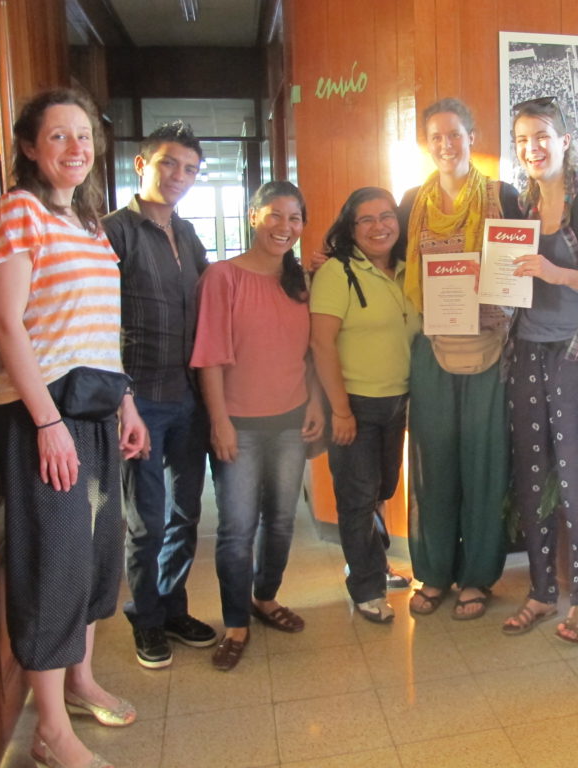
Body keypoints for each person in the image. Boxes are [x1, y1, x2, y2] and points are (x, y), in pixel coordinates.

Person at [0, 88, 147, 768]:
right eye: (58, 137)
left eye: (83, 136)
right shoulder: (18, 211)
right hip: (41, 414)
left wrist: (127, 403)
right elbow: (6, 323)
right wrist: (46, 421)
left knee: (92, 558)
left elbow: (97, 330)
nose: (76, 148)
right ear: (30, 147)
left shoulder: (87, 222)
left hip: (94, 407)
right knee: (53, 566)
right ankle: (50, 730)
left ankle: (78, 682)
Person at [191, 181, 324, 671]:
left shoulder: (301, 283)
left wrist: (314, 403)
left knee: (283, 520)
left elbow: (310, 354)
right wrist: (220, 422)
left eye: (294, 219)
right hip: (240, 426)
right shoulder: (222, 278)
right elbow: (208, 357)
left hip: (291, 420)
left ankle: (265, 598)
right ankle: (235, 621)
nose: (284, 227)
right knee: (237, 527)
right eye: (274, 215)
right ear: (253, 217)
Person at [399, 98, 519, 620]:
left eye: (455, 134)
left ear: (472, 135)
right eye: (436, 137)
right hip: (432, 346)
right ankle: (433, 572)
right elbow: (381, 252)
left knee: (484, 462)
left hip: (489, 348)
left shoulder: (503, 196)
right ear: (427, 144)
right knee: (433, 464)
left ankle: (477, 577)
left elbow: (521, 266)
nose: (446, 145)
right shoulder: (411, 201)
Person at [103, 121, 216, 670]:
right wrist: (122, 401)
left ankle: (172, 607)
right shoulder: (112, 232)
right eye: (168, 163)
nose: (179, 176)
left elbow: (219, 294)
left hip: (189, 398)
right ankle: (145, 619)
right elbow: (96, 322)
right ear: (141, 165)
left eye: (190, 169)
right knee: (146, 519)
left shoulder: (188, 233)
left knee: (186, 515)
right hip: (138, 400)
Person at [500, 97, 578, 645]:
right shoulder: (519, 207)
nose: (531, 148)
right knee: (532, 477)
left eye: (541, 135)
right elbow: (513, 288)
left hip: (577, 354)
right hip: (525, 351)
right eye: (521, 139)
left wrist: (554, 272)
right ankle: (543, 592)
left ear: (565, 140)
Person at [310, 187, 421, 624]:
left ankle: (372, 563)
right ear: (350, 229)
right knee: (356, 498)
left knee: (382, 489)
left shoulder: (407, 271)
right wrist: (339, 411)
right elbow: (321, 344)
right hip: (354, 404)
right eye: (367, 220)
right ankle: (366, 587)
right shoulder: (338, 272)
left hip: (398, 402)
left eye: (386, 216)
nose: (380, 227)